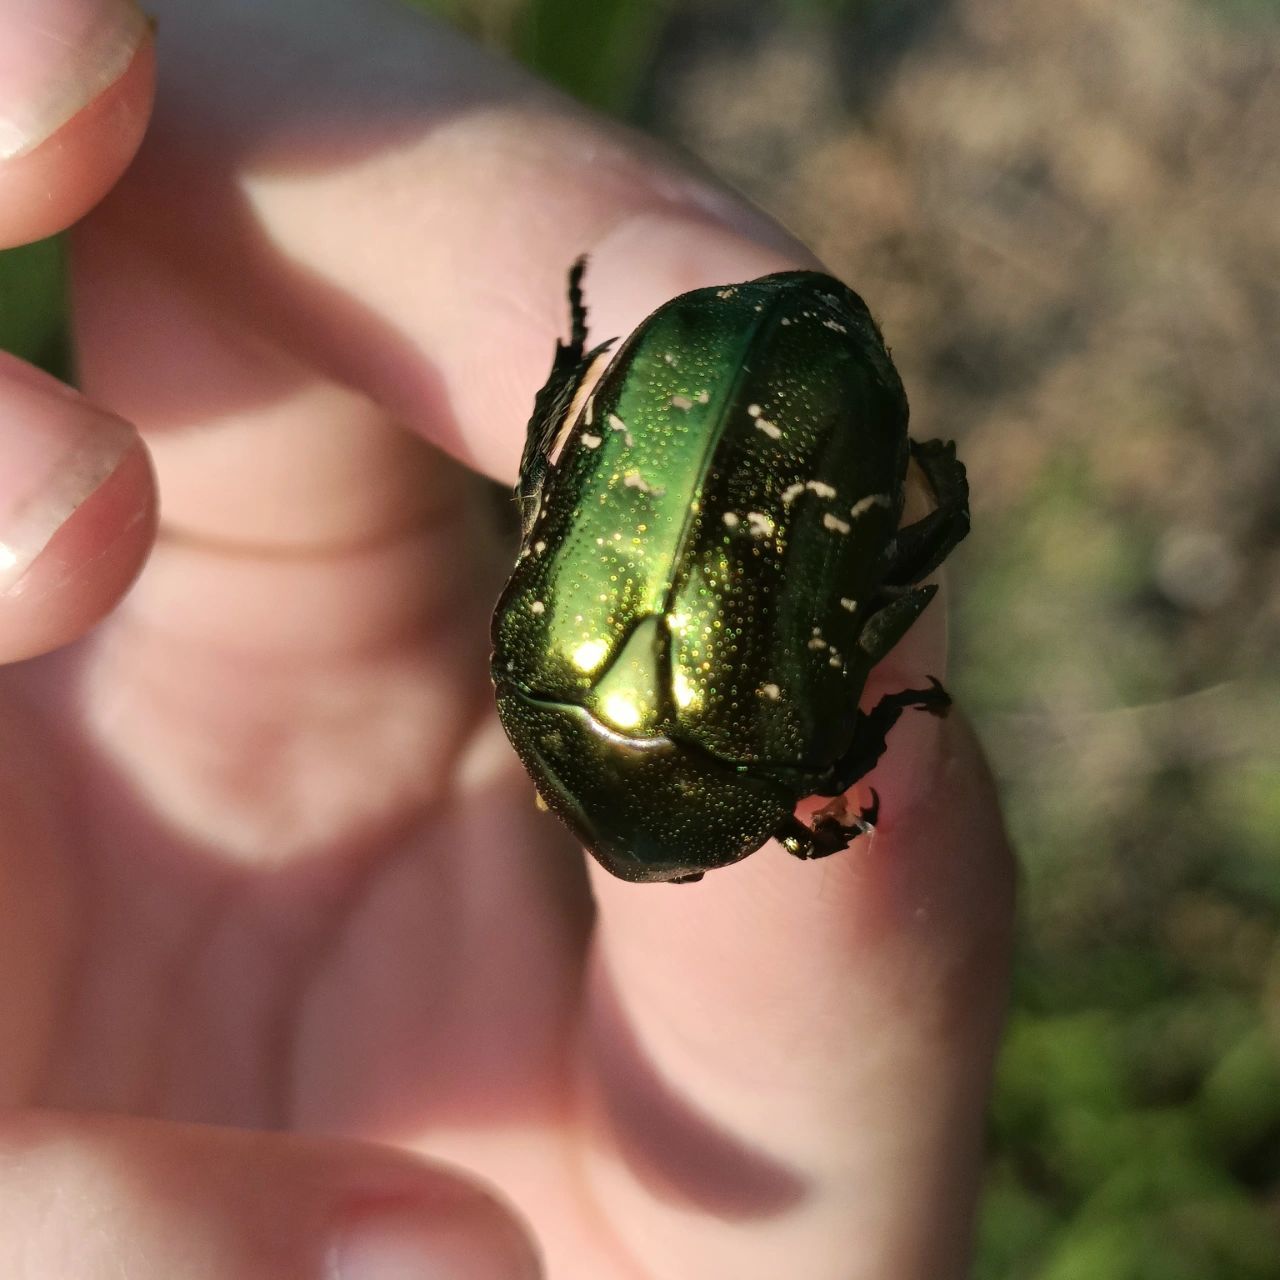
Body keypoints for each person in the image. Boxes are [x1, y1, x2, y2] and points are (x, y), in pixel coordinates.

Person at [0, 2, 1015, 1276]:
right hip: (736, 367)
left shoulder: (773, 745)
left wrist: (921, 533)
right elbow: (550, 484)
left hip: (747, 376)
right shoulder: (538, 682)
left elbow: (877, 611)